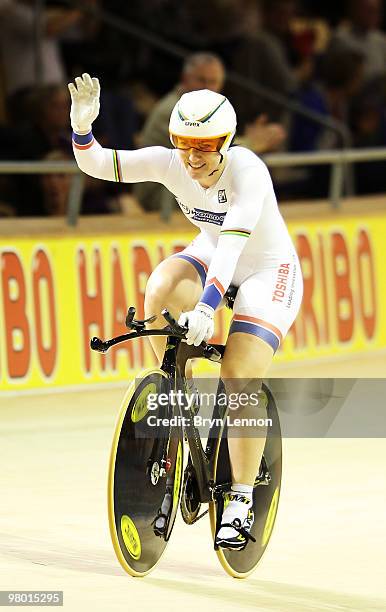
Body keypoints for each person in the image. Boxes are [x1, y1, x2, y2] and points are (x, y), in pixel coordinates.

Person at [69, 73, 303, 550]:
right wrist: (81, 127)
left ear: (226, 142)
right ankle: (174, 397)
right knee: (158, 286)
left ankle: (239, 495)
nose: (192, 158)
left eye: (205, 146)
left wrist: (207, 306)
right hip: (212, 252)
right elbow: (97, 164)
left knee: (238, 378)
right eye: (183, 145)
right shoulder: (170, 163)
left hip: (266, 271)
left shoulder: (248, 171)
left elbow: (234, 248)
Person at [135, 52, 286, 212]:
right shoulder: (177, 109)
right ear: (185, 79)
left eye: (213, 82)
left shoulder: (208, 109)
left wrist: (251, 143)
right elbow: (204, 151)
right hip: (160, 194)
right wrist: (251, 144)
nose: (207, 87)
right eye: (201, 80)